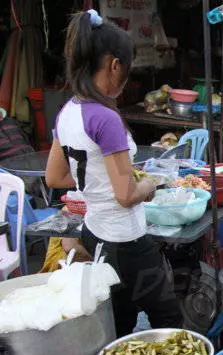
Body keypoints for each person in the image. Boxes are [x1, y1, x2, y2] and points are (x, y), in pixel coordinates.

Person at [45, 10, 183, 337]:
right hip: (128, 242)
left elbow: (56, 177)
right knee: (170, 323)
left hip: (96, 238)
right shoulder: (105, 118)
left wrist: (101, 183)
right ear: (114, 65)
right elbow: (125, 196)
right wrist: (149, 183)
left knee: (117, 324)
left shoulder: (67, 112)